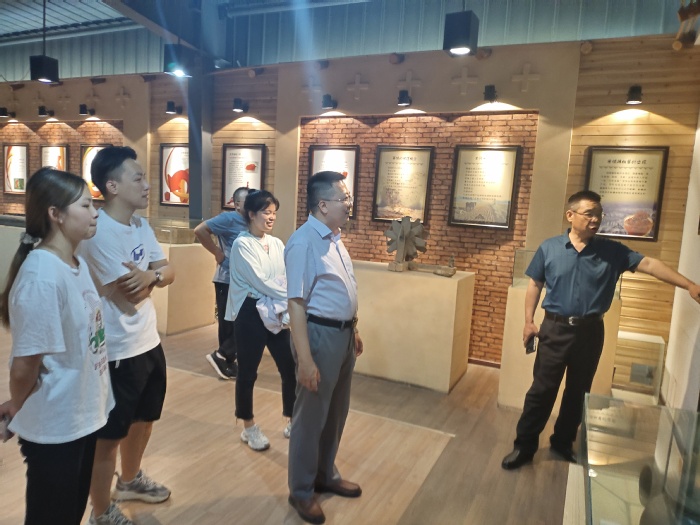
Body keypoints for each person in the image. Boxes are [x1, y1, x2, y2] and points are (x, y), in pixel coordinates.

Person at [501, 190, 700, 471]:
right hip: (554, 330)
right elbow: (535, 283)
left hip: (590, 333)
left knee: (578, 391)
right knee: (542, 390)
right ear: (570, 215)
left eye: (599, 214)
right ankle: (524, 445)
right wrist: (528, 321)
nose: (595, 219)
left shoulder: (612, 251)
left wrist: (689, 284)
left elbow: (650, 264)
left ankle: (562, 442)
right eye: (589, 214)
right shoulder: (550, 248)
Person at [0, 168, 114, 525]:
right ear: (56, 214)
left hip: (81, 416)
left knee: (70, 513)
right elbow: (25, 365)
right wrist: (17, 404)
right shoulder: (42, 276)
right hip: (55, 427)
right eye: (86, 205)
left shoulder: (75, 264)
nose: (95, 213)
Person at [78, 146, 175, 525]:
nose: (148, 185)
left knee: (144, 419)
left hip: (147, 341)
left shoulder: (140, 225)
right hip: (117, 349)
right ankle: (101, 510)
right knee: (110, 434)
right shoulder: (98, 233)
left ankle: (130, 480)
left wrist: (152, 274)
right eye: (138, 178)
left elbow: (167, 271)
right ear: (112, 186)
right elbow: (131, 294)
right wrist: (153, 277)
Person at [285, 171, 364, 525]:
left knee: (335, 412)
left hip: (342, 337)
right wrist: (305, 359)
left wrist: (353, 328)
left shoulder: (334, 238)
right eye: (343, 198)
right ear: (322, 204)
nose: (349, 204)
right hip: (318, 337)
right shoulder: (303, 242)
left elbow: (340, 289)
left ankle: (325, 474)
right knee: (310, 417)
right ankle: (301, 491)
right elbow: (296, 304)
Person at [226, 189, 296, 451]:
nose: (271, 217)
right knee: (248, 372)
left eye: (274, 212)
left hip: (275, 310)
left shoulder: (276, 243)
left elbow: (285, 275)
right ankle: (248, 426)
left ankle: (292, 419)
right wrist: (292, 294)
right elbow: (261, 281)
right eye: (266, 212)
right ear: (251, 214)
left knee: (289, 367)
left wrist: (287, 292)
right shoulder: (242, 244)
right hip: (249, 313)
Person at [194, 186, 249, 380]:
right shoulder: (228, 218)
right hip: (227, 279)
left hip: (244, 281)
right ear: (237, 204)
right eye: (247, 202)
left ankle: (226, 359)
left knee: (239, 323)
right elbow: (200, 230)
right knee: (229, 324)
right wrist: (217, 252)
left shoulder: (251, 221)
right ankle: (223, 358)